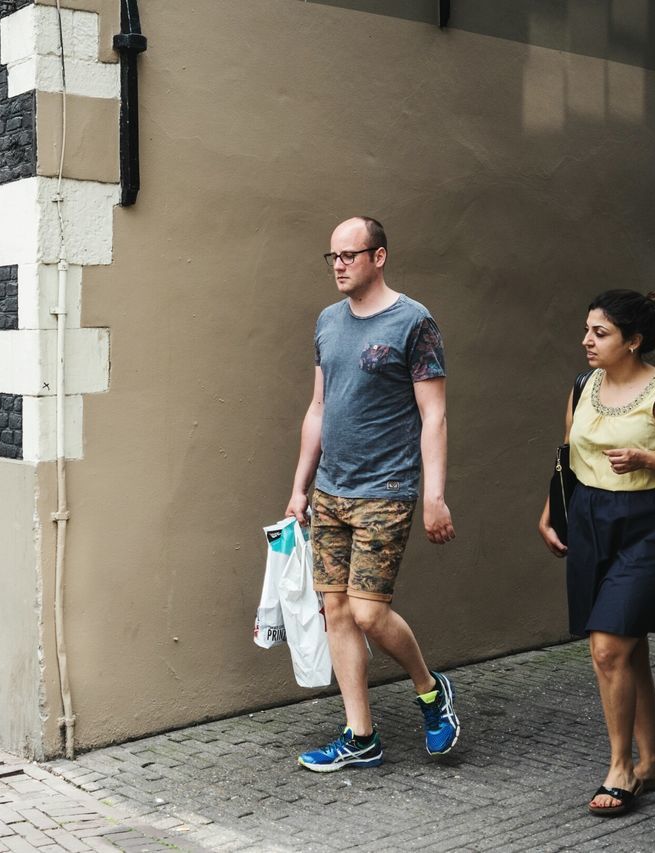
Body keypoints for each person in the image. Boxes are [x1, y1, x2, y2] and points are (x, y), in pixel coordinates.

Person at [285, 216, 460, 772]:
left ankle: (431, 692)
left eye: (349, 255)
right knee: (335, 609)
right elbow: (319, 408)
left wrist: (435, 495)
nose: (338, 265)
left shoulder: (414, 322)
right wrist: (299, 488)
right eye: (332, 257)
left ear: (378, 257)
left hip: (386, 489)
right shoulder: (327, 322)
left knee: (367, 613)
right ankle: (361, 735)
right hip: (331, 491)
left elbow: (434, 414)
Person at [537, 289, 655, 817]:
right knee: (627, 644)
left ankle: (622, 769)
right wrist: (551, 510)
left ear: (633, 341)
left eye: (600, 332)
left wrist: (648, 458)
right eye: (588, 329)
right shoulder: (584, 385)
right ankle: (653, 762)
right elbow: (568, 455)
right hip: (591, 521)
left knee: (608, 647)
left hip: (648, 525)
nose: (586, 340)